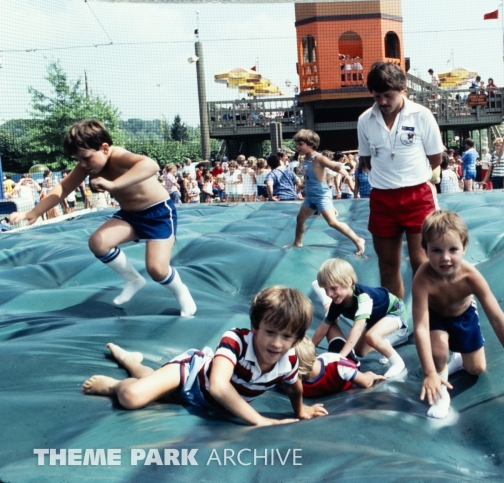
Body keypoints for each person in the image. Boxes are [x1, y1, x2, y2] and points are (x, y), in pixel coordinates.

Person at [8, 119, 196, 316]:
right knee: (98, 242)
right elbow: (63, 188)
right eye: (78, 159)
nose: (82, 164)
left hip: (158, 213)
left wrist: (114, 185)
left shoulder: (118, 156)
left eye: (86, 158)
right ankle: (133, 279)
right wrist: (34, 212)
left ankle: (181, 291)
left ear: (105, 148)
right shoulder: (86, 165)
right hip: (130, 216)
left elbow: (151, 165)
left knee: (157, 269)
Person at [81, 286, 327, 426]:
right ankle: (114, 385)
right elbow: (218, 386)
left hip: (205, 401)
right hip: (190, 375)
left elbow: (294, 387)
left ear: (297, 339)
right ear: (254, 326)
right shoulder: (236, 341)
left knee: (151, 383)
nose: (276, 343)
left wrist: (300, 410)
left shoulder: (288, 360)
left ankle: (130, 360)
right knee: (132, 397)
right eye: (270, 332)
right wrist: (260, 420)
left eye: (286, 336)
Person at [412, 210, 504, 418]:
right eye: (436, 250)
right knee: (438, 353)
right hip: (436, 315)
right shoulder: (423, 277)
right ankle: (441, 393)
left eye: (453, 249)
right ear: (425, 249)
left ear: (464, 248)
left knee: (476, 369)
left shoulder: (471, 276)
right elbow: (420, 326)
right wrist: (429, 373)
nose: (445, 258)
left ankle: (457, 360)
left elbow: (497, 318)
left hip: (464, 315)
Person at [356, 61, 444, 299]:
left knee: (421, 261)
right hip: (382, 198)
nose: (383, 102)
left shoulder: (422, 115)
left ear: (402, 89)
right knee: (387, 264)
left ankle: (427, 314)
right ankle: (395, 316)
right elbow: (367, 158)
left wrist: (410, 176)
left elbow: (435, 158)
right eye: (377, 96)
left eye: (388, 95)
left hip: (417, 195)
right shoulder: (365, 120)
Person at [309, 258, 408, 378]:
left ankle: (398, 362)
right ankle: (384, 343)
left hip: (393, 311)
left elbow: (357, 329)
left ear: (349, 281)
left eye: (333, 288)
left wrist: (341, 357)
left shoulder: (363, 297)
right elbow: (323, 328)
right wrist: (308, 350)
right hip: (375, 318)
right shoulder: (338, 302)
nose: (329, 293)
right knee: (360, 351)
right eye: (325, 289)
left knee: (372, 336)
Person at [292, 129, 365, 256]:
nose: (297, 146)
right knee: (300, 219)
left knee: (332, 222)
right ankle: (297, 243)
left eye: (300, 144)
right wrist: (303, 185)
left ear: (311, 144)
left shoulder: (318, 158)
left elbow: (333, 165)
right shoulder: (305, 160)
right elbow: (311, 178)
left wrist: (342, 170)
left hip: (321, 195)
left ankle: (358, 240)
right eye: (297, 144)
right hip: (310, 196)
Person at [294, 337, 386, 398]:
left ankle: (383, 344)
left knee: (337, 341)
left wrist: (371, 375)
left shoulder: (339, 365)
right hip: (326, 362)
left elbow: (366, 381)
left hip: (346, 360)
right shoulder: (295, 383)